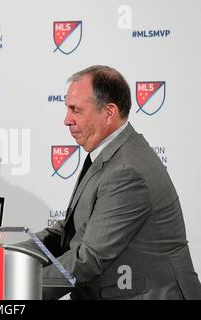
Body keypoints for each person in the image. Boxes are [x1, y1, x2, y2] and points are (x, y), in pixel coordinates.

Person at [36, 65, 201, 299]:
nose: (66, 119)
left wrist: (18, 288)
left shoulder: (126, 170)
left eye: (76, 110)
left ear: (109, 112)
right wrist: (8, 256)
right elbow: (73, 230)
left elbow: (88, 258)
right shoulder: (112, 153)